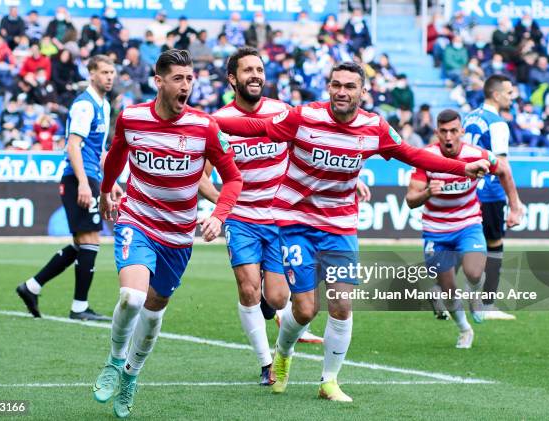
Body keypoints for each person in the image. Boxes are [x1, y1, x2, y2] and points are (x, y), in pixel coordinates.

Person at [214, 61, 490, 401]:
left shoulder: (374, 127)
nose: (341, 92)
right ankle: (282, 354)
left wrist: (462, 167)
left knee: (342, 304)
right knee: (303, 309)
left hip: (340, 224)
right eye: (336, 85)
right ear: (328, 87)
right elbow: (253, 126)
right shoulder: (303, 117)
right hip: (296, 219)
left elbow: (413, 154)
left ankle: (329, 381)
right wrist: (201, 122)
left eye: (349, 86)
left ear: (363, 92)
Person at [92, 50, 242, 419]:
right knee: (130, 297)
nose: (186, 85)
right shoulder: (132, 118)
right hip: (137, 220)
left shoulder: (205, 127)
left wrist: (219, 215)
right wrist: (106, 190)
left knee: (154, 310)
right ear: (159, 81)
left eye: (190, 79)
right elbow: (115, 156)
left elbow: (234, 177)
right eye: (179, 79)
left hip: (177, 237)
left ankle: (131, 375)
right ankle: (114, 362)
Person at [200, 47, 317, 386]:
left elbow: (309, 155)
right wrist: (225, 208)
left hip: (280, 219)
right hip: (243, 219)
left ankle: (275, 325)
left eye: (260, 69)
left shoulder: (283, 113)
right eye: (248, 70)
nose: (255, 75)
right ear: (232, 79)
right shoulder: (220, 122)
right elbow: (202, 176)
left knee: (279, 298)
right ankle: (267, 364)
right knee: (248, 288)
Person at [16, 55, 120, 321]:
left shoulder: (103, 105)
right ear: (92, 74)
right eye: (104, 72)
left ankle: (31, 287)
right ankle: (79, 307)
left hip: (90, 176)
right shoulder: (84, 106)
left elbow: (99, 149)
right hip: (78, 177)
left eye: (112, 72)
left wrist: (113, 181)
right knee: (90, 240)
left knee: (82, 243)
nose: (110, 77)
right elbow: (73, 145)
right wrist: (84, 183)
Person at [406, 109, 522, 348]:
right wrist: (428, 192)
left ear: (462, 132)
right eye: (444, 132)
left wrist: (515, 206)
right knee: (447, 287)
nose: (448, 137)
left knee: (474, 272)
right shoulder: (424, 157)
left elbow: (503, 170)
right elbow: (410, 200)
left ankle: (475, 298)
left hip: (467, 223)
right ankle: (464, 329)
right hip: (435, 230)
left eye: (453, 131)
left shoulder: (476, 154)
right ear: (437, 132)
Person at [463, 74, 521, 320]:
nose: (512, 96)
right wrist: (515, 203)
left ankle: (448, 291)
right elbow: (503, 167)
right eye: (508, 92)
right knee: (494, 244)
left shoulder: (470, 117)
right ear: (496, 95)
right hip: (490, 192)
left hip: (468, 189)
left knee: (468, 241)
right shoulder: (497, 123)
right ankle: (486, 305)